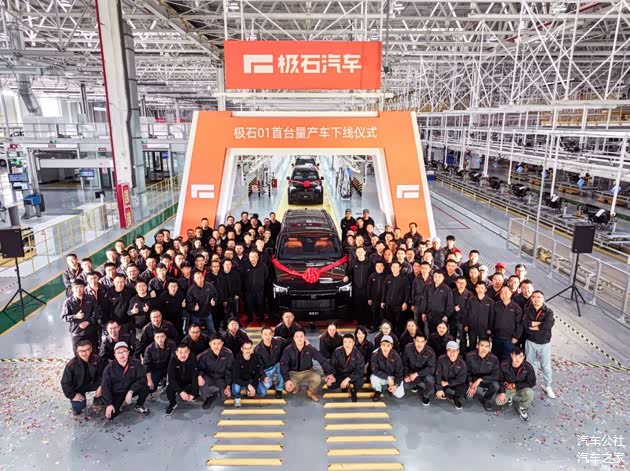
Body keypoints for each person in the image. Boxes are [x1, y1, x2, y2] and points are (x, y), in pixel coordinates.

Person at [280, 329, 335, 402]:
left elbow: (322, 359)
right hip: (293, 373)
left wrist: (329, 373)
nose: (299, 339)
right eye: (297, 336)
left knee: (317, 379)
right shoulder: (288, 349)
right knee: (289, 389)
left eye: (301, 336)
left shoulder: (310, 348)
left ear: (305, 338)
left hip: (308, 371)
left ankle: (310, 391)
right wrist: (286, 380)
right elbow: (283, 365)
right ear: (294, 338)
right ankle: (296, 385)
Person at [101, 342, 150, 419]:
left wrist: (131, 391)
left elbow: (142, 378)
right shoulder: (109, 368)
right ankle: (115, 403)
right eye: (118, 352)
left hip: (131, 389)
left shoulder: (136, 363)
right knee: (111, 415)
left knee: (145, 387)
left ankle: (139, 404)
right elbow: (105, 387)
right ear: (115, 355)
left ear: (128, 352)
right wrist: (108, 404)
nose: (122, 355)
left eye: (124, 351)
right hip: (117, 393)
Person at [523, 290, 555, 399]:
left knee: (545, 365)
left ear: (543, 299)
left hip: (544, 342)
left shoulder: (549, 312)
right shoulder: (527, 310)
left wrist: (533, 325)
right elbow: (526, 324)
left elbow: (548, 325)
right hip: (531, 341)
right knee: (530, 364)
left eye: (539, 297)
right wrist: (540, 324)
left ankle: (547, 385)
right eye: (534, 297)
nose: (536, 299)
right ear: (531, 299)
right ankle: (530, 383)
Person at [61, 340, 106, 415]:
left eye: (87, 350)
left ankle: (98, 399)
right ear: (77, 351)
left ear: (91, 349)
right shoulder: (71, 365)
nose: (84, 353)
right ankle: (79, 404)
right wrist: (73, 395)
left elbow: (105, 375)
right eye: (81, 351)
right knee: (79, 408)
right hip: (78, 387)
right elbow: (65, 383)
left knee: (106, 392)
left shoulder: (97, 359)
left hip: (95, 383)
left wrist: (101, 386)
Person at [496, 347, 536, 421]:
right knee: (498, 402)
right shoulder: (504, 365)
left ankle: (522, 407)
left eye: (520, 357)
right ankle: (509, 397)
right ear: (511, 355)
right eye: (515, 356)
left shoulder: (528, 367)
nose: (517, 359)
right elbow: (500, 379)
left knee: (530, 393)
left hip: (521, 388)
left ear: (523, 357)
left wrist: (515, 385)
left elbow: (532, 382)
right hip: (508, 388)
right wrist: (502, 392)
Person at [61, 279, 100, 352]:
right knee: (78, 353)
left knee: (94, 352)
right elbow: (64, 317)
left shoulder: (91, 298)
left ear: (84, 288)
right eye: (76, 287)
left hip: (91, 331)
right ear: (72, 289)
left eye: (81, 287)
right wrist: (75, 316)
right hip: (77, 332)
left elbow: (97, 313)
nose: (78, 289)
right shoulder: (68, 302)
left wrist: (88, 322)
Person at [197, 334, 233, 409]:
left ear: (222, 343)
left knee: (225, 395)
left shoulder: (228, 354)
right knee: (203, 384)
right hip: (209, 376)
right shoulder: (204, 355)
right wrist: (199, 376)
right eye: (214, 343)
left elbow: (229, 370)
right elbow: (201, 368)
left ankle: (216, 391)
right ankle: (209, 396)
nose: (216, 346)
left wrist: (228, 386)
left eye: (219, 343)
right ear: (210, 344)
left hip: (221, 377)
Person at [465, 338, 500, 411]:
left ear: (489, 348)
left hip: (485, 381)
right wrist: (470, 383)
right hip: (472, 380)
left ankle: (486, 399)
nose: (484, 349)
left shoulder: (494, 359)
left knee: (496, 385)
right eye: (482, 345)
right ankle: (472, 391)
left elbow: (495, 375)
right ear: (477, 346)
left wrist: (481, 379)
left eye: (487, 346)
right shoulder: (469, 356)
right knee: (468, 398)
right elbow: (466, 371)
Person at [329, 334, 365, 402]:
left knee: (360, 382)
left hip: (352, 375)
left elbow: (360, 371)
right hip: (340, 374)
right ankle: (345, 386)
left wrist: (347, 379)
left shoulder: (358, 354)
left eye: (349, 342)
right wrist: (330, 376)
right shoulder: (337, 351)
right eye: (345, 342)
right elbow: (331, 365)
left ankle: (353, 391)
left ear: (353, 343)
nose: (347, 344)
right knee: (330, 385)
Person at [231, 340, 268, 407]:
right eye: (246, 348)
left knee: (263, 392)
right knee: (236, 389)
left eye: (250, 348)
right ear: (242, 349)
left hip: (251, 379)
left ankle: (249, 393)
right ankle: (237, 397)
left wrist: (254, 386)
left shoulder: (256, 356)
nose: (248, 350)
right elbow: (235, 378)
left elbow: (258, 373)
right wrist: (248, 385)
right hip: (240, 380)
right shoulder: (237, 360)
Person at [403, 332, 436, 406]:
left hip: (424, 374)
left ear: (425, 342)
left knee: (430, 380)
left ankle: (426, 395)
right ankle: (415, 384)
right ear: (414, 340)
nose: (419, 344)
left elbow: (431, 368)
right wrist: (406, 375)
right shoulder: (408, 348)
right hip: (411, 372)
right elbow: (404, 363)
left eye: (422, 342)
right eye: (417, 341)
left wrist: (417, 374)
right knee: (406, 385)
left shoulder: (430, 352)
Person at [491, 286, 523, 361]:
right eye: (502, 293)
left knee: (506, 358)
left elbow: (519, 324)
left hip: (509, 339)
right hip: (497, 337)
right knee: (495, 357)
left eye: (506, 293)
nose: (504, 295)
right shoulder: (496, 305)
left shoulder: (516, 308)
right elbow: (492, 319)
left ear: (511, 293)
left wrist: (516, 337)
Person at [434, 341, 467, 410]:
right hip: (443, 381)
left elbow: (461, 379)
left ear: (458, 351)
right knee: (434, 392)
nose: (451, 353)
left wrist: (448, 383)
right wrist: (439, 388)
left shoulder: (462, 363)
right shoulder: (441, 359)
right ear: (446, 351)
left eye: (454, 350)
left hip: (454, 383)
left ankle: (455, 398)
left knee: (463, 387)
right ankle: (446, 394)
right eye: (449, 350)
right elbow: (438, 374)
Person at [370, 335, 404, 401]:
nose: (385, 347)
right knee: (373, 378)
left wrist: (396, 385)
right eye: (383, 345)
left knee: (399, 394)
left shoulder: (396, 356)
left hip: (393, 377)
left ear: (391, 346)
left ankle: (390, 387)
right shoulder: (375, 354)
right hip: (383, 376)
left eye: (388, 345)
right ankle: (378, 391)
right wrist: (387, 377)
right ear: (380, 345)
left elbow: (399, 373)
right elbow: (375, 370)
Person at [381, 261, 411, 335]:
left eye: (396, 267)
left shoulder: (404, 279)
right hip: (389, 304)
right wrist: (383, 301)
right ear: (391, 268)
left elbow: (407, 292)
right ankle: (390, 335)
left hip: (399, 305)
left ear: (400, 268)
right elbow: (384, 290)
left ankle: (398, 336)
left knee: (399, 322)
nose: (394, 269)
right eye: (393, 267)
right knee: (390, 322)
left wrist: (405, 302)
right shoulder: (388, 278)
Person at [254, 326, 285, 399]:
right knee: (267, 385)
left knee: (281, 366)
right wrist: (264, 376)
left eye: (269, 334)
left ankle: (279, 389)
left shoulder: (279, 341)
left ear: (272, 334)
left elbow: (291, 342)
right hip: (267, 369)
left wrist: (305, 341)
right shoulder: (257, 349)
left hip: (277, 365)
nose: (267, 337)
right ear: (261, 335)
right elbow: (259, 365)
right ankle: (273, 381)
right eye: (265, 334)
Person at [463, 282, 494, 354]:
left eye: (482, 288)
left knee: (483, 345)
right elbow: (466, 313)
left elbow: (491, 316)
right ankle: (471, 358)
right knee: (472, 345)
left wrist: (490, 328)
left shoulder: (490, 301)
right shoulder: (471, 300)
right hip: (472, 327)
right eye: (478, 288)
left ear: (485, 289)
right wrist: (466, 324)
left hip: (484, 328)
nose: (480, 290)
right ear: (475, 289)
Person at [345, 246, 371, 324]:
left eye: (361, 251)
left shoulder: (369, 262)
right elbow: (349, 271)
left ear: (365, 252)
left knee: (366, 305)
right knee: (357, 305)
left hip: (366, 289)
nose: (359, 253)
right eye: (358, 252)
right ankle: (359, 323)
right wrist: (347, 276)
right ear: (356, 253)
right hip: (356, 288)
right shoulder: (353, 262)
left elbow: (372, 274)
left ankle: (367, 323)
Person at [242, 251, 268, 324]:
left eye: (255, 257)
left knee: (260, 305)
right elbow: (242, 278)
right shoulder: (245, 266)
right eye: (252, 257)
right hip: (249, 291)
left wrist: (260, 284)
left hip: (260, 290)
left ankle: (262, 320)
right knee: (249, 305)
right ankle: (250, 319)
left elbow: (266, 276)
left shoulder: (263, 266)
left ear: (258, 257)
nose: (253, 258)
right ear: (249, 258)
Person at [366, 260, 386, 332]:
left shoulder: (386, 276)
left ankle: (382, 328)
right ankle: (374, 327)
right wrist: (369, 298)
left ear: (383, 267)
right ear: (375, 267)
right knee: (374, 313)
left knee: (382, 314)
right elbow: (368, 287)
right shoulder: (372, 276)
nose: (379, 267)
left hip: (383, 299)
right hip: (374, 299)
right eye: (377, 266)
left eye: (381, 266)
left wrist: (384, 300)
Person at [451, 276, 473, 342]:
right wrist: (453, 308)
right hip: (452, 319)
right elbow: (447, 304)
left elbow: (470, 309)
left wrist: (467, 323)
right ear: (456, 283)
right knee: (452, 337)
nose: (461, 285)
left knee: (462, 339)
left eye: (462, 283)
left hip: (463, 320)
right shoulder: (452, 292)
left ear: (466, 284)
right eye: (459, 283)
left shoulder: (470, 294)